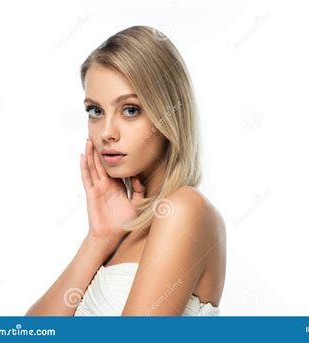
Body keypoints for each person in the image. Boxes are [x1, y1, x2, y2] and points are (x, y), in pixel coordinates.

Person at [25, 25, 226, 316]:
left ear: (169, 113)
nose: (106, 132)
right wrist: (98, 240)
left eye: (130, 110)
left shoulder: (184, 208)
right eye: (95, 111)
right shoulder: (124, 228)